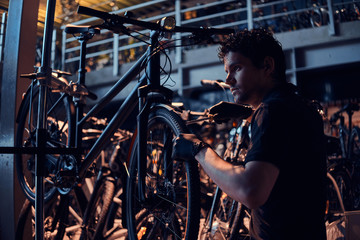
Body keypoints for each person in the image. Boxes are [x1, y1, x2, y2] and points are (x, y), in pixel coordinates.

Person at [172, 29, 327, 240]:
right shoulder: (302, 105)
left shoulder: (271, 111)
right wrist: (246, 113)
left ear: (267, 66)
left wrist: (198, 150)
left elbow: (250, 191)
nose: (228, 79)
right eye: (227, 71)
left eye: (236, 68)